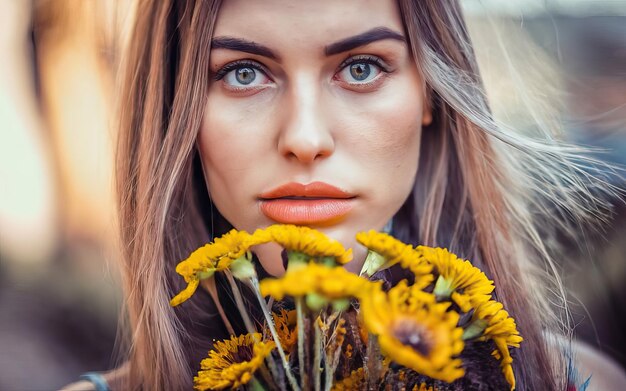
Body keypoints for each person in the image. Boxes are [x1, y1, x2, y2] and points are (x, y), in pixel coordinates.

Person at [63, 0, 626, 390]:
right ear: (175, 111)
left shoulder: (583, 383)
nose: (305, 139)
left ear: (432, 93)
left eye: (360, 68)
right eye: (242, 73)